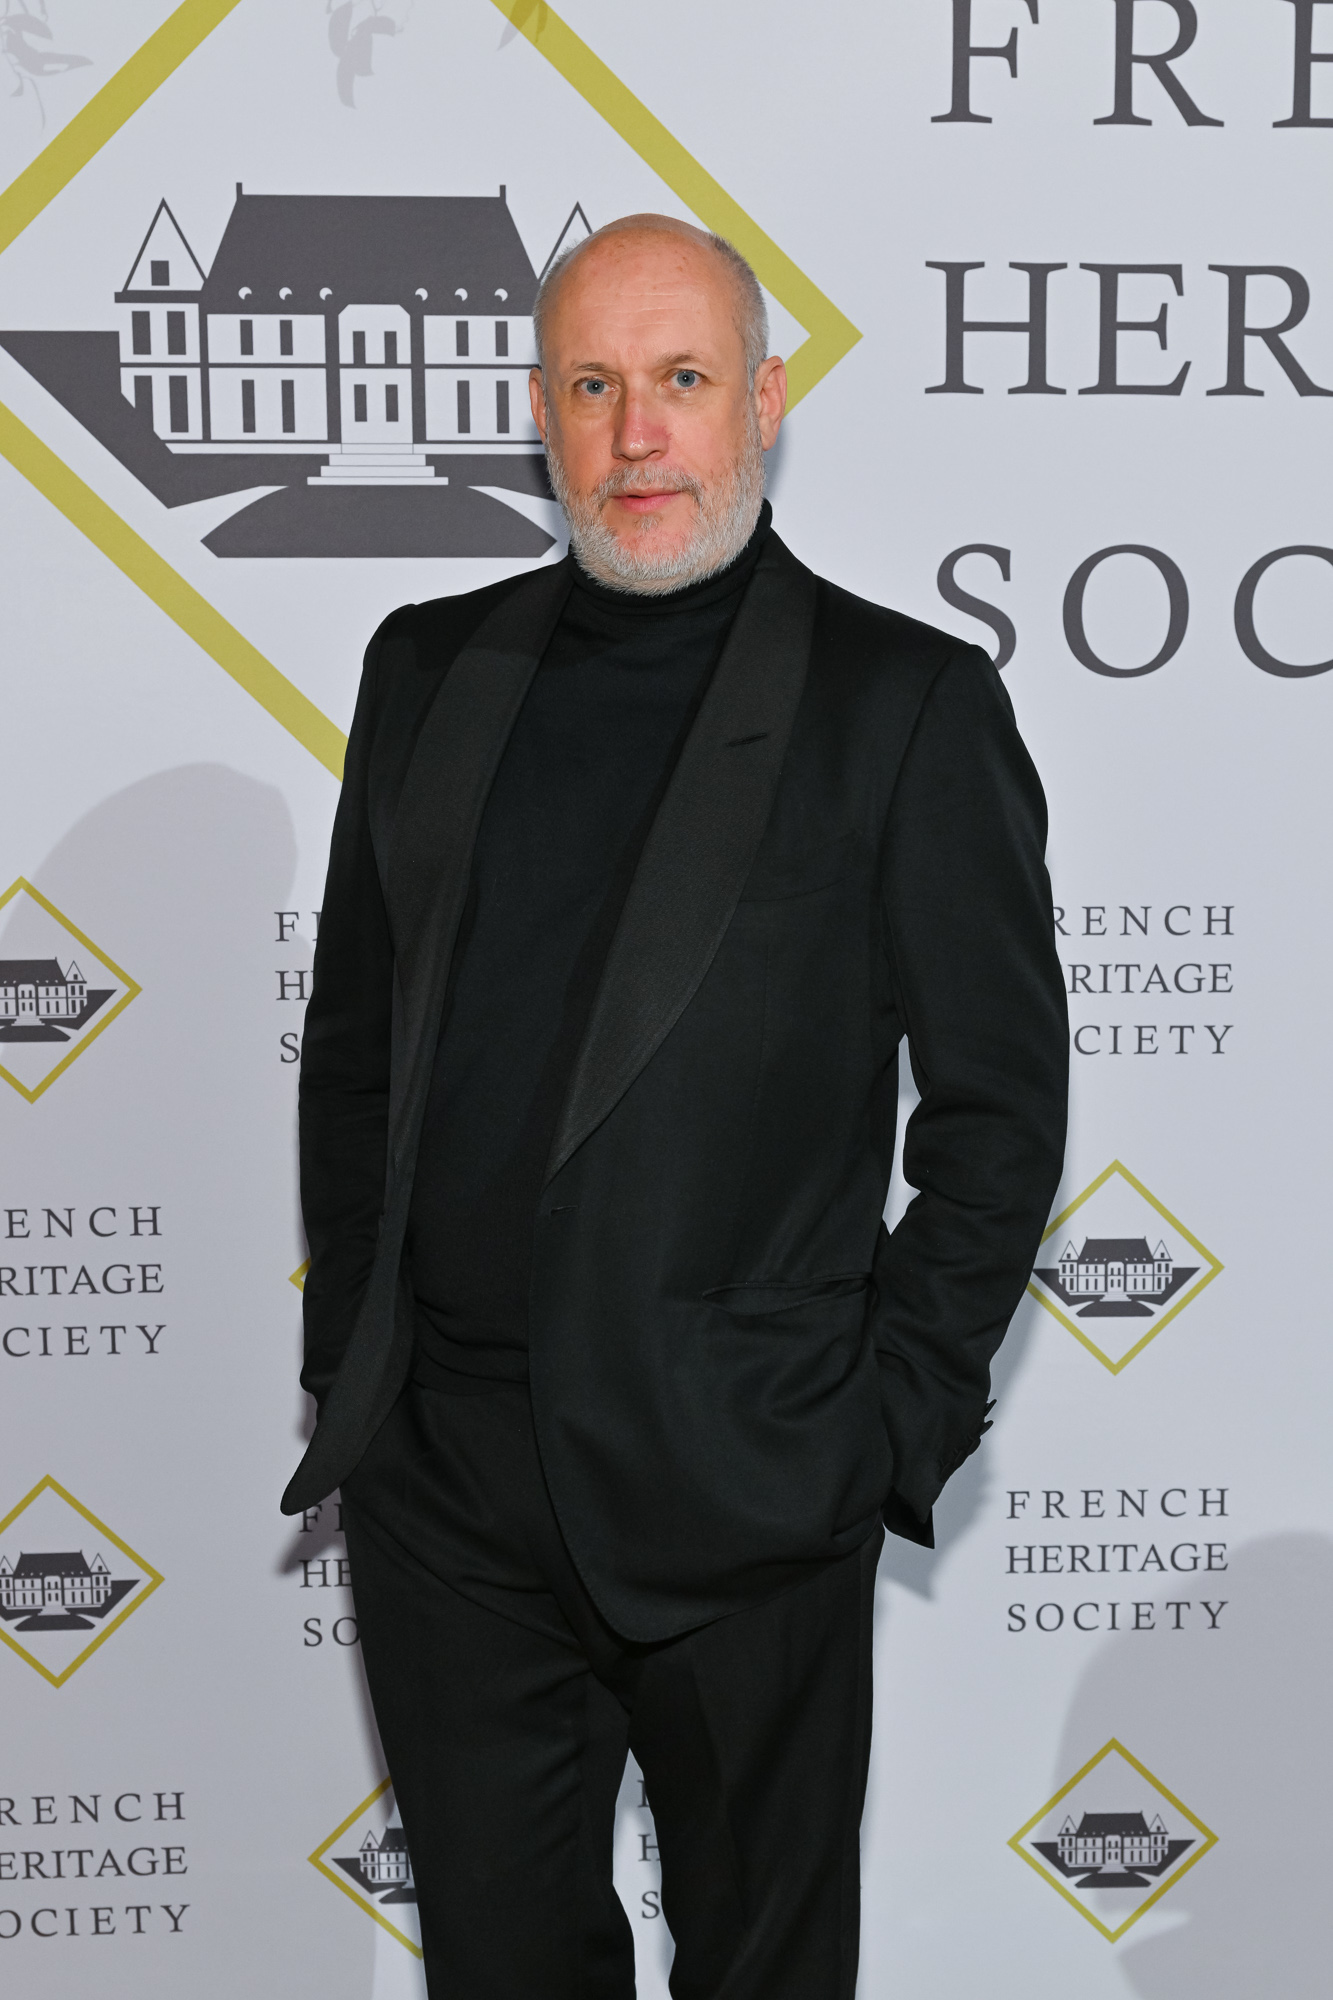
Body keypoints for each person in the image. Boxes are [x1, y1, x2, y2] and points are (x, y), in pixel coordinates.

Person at [283, 213, 1068, 1998]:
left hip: (746, 1488)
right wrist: (359, 1369)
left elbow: (998, 1110)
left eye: (682, 379)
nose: (638, 434)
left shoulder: (902, 704)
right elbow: (356, 1048)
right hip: (446, 1496)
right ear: (542, 416)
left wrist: (876, 1424)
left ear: (762, 403)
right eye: (593, 385)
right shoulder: (427, 669)